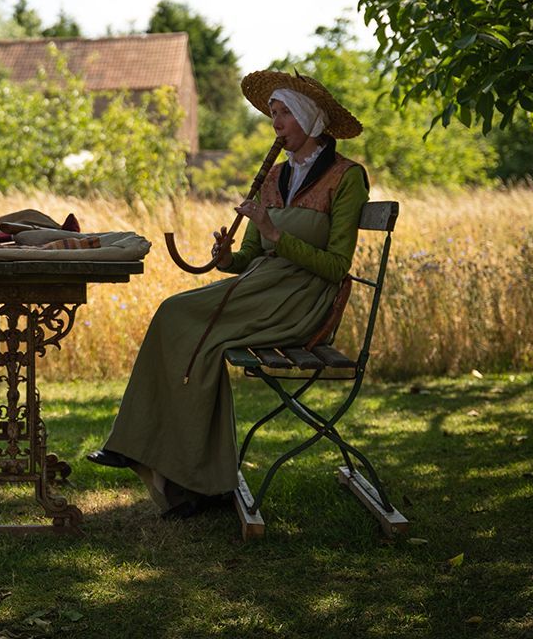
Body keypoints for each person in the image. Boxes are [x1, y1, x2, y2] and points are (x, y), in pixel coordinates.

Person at [87, 71, 369, 518]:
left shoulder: (346, 177)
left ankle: (163, 461)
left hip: (304, 299)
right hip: (260, 286)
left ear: (310, 120)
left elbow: (337, 267)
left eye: (285, 114)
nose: (275, 123)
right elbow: (253, 256)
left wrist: (274, 231)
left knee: (178, 317)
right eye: (272, 113)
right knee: (180, 322)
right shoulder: (275, 176)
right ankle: (182, 475)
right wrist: (226, 259)